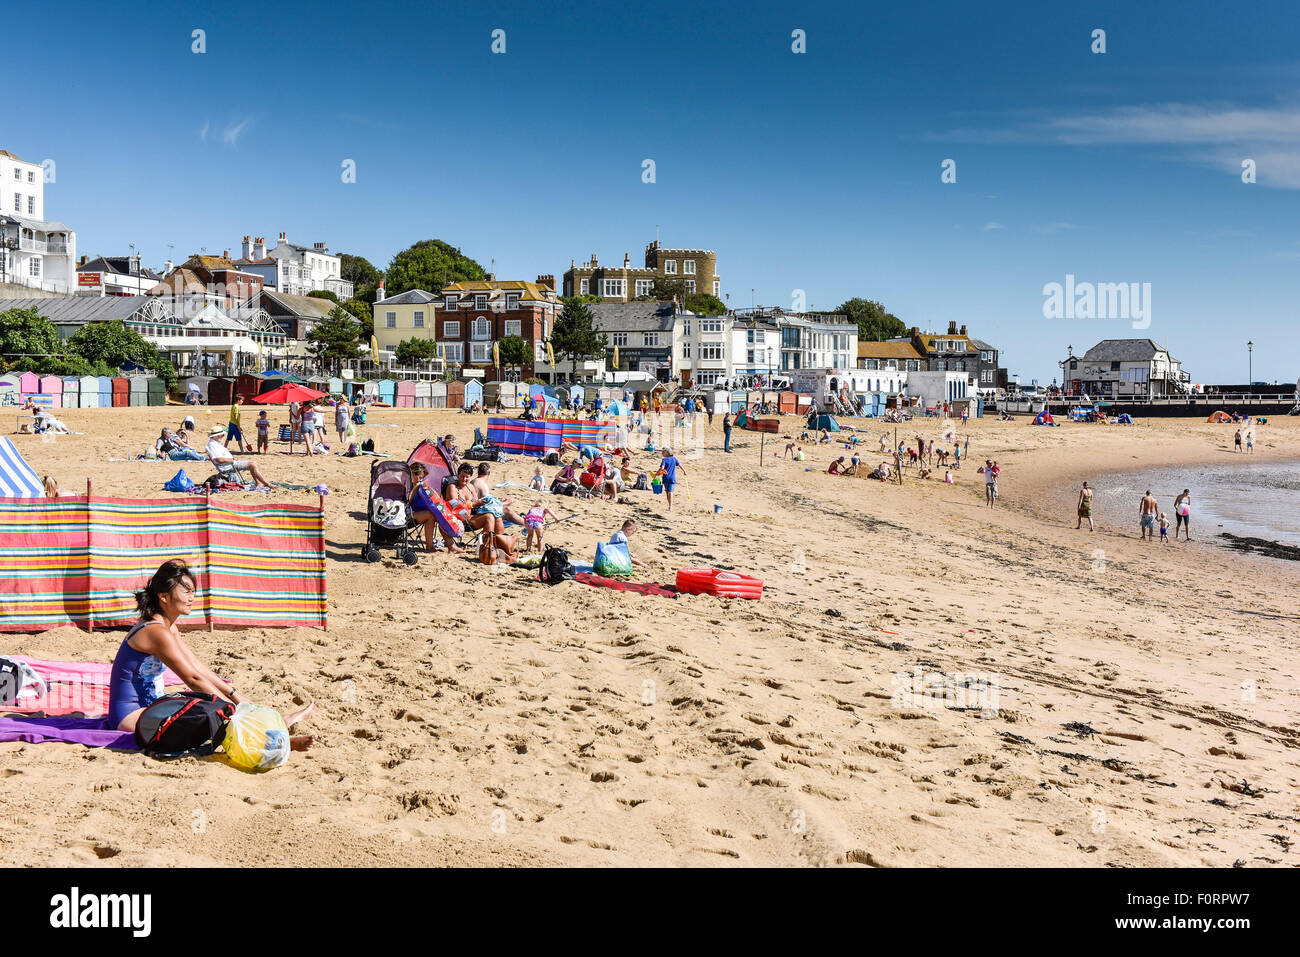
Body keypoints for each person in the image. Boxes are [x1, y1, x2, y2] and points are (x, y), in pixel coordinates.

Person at [108, 560, 314, 749]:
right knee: (209, 714)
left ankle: (270, 725)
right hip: (132, 717)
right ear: (163, 596)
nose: (192, 597)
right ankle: (267, 736)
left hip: (153, 707)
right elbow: (192, 678)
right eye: (186, 591)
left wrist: (237, 696)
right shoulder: (156, 632)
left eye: (193, 591)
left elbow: (197, 667)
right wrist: (232, 709)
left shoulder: (168, 628)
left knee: (215, 708)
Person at [409, 463, 464, 553]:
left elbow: (436, 497)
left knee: (439, 513)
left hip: (418, 512)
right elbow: (408, 502)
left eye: (422, 478)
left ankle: (450, 546)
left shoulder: (419, 485)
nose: (420, 480)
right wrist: (415, 489)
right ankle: (433, 547)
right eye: (419, 477)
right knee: (432, 515)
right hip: (407, 514)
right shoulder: (407, 484)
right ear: (412, 474)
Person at [206, 426, 271, 487]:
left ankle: (259, 483)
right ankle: (266, 484)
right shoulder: (212, 445)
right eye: (222, 435)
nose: (223, 436)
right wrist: (232, 459)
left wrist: (232, 458)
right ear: (217, 436)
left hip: (229, 464)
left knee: (253, 463)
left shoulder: (214, 443)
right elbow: (219, 460)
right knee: (252, 464)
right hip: (227, 466)